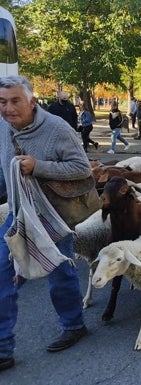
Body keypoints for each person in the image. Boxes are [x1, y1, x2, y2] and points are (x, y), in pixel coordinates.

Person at [0, 75, 91, 372]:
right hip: (18, 214)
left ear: (32, 102)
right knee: (2, 275)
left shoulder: (56, 128)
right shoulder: (2, 126)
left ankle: (74, 324)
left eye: (15, 101)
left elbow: (81, 168)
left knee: (59, 274)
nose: (8, 108)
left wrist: (38, 166)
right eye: (2, 102)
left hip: (53, 216)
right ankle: (3, 349)